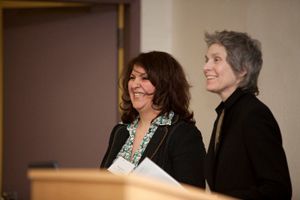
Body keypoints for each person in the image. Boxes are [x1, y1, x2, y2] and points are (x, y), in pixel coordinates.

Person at [203, 30, 292, 199]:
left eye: (216, 59)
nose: (206, 67)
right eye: (206, 60)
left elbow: (278, 190)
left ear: (242, 69)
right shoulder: (225, 112)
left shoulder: (254, 115)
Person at [101, 51, 206, 188]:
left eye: (144, 78)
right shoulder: (120, 131)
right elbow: (102, 183)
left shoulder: (184, 134)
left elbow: (193, 194)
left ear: (165, 85)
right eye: (132, 77)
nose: (134, 84)